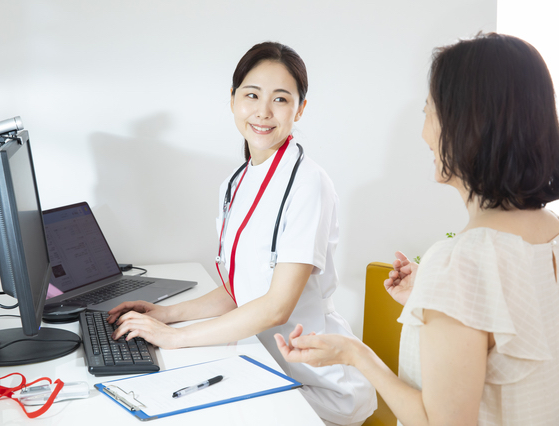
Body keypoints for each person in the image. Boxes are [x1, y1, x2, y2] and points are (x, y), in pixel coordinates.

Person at [275, 33, 559, 425]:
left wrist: (355, 353)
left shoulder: (459, 265)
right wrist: (431, 295)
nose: (424, 133)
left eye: (428, 113)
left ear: (468, 125)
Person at [107, 41, 376, 426]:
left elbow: (276, 306)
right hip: (265, 363)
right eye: (252, 95)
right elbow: (242, 289)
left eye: (281, 99)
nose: (263, 112)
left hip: (319, 384)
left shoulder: (308, 184)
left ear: (300, 108)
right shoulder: (235, 183)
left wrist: (176, 337)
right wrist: (165, 314)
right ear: (233, 99)